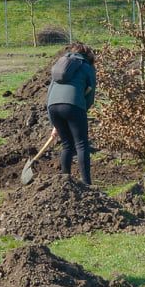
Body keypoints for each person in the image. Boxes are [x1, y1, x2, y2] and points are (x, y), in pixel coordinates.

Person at [45, 43, 97, 186]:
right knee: (81, 145)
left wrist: (54, 123)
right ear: (88, 56)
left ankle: (65, 181)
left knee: (67, 145)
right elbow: (90, 94)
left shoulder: (61, 65)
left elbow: (49, 92)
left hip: (53, 106)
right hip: (73, 105)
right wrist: (82, 109)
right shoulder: (86, 66)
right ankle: (87, 184)